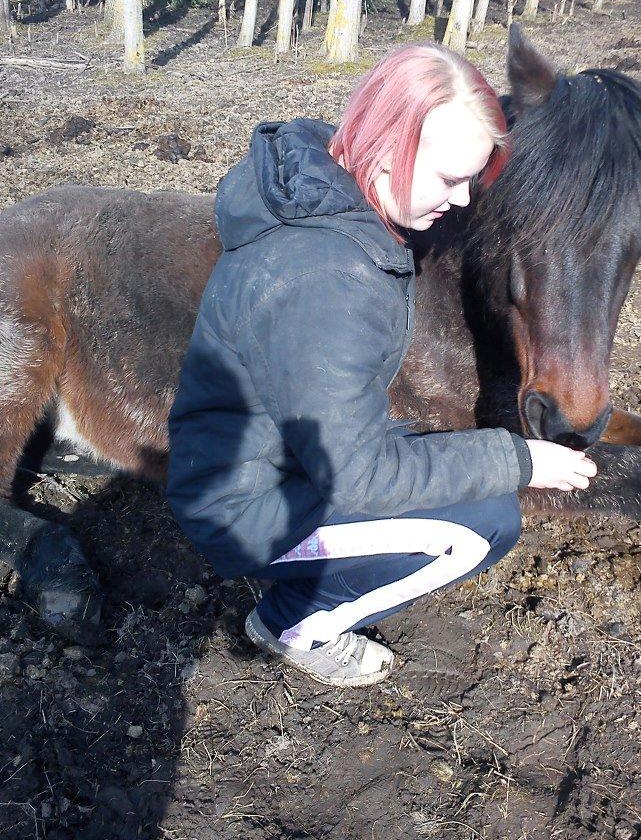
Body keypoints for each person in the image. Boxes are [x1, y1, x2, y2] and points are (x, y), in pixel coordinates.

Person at [166, 42, 597, 688]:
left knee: (460, 479)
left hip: (274, 455)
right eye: (449, 177)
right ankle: (294, 623)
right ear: (386, 140)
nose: (458, 201)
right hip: (247, 505)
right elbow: (360, 478)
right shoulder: (329, 275)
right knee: (485, 525)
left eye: (469, 181)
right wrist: (524, 459)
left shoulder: (331, 197)